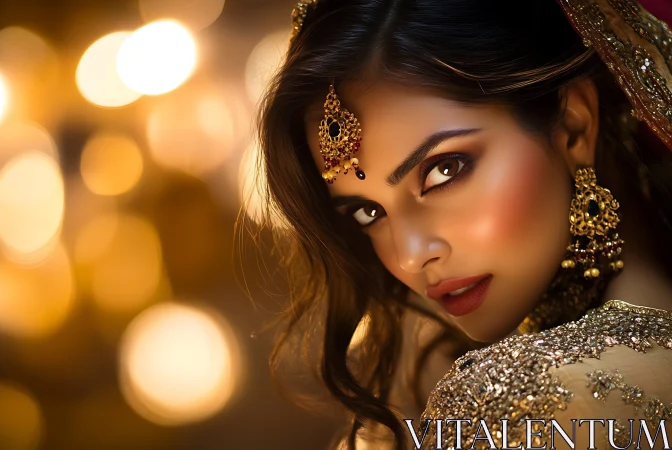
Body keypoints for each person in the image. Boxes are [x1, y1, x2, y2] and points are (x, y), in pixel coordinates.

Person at [248, 0, 672, 448]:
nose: (410, 254)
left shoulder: (508, 406)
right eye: (367, 212)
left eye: (443, 170)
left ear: (572, 125)